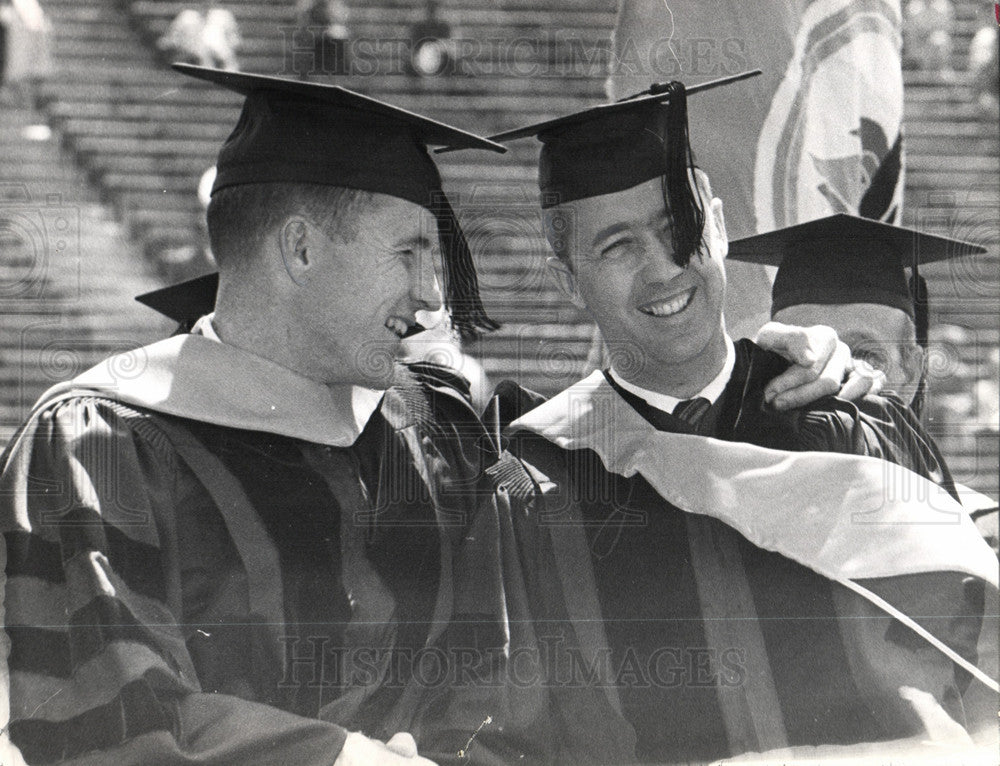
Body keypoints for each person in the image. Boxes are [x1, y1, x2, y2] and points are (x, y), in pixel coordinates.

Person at [0, 65, 594, 766]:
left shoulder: (435, 431)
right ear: (302, 248)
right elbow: (105, 717)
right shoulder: (101, 445)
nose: (431, 295)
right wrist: (343, 759)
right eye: (408, 251)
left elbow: (501, 684)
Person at [491, 81, 998, 762]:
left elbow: (964, 679)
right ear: (566, 282)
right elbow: (522, 729)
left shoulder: (850, 430)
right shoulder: (538, 481)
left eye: (682, 229)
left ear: (720, 227)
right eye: (617, 246)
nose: (665, 267)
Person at [726, 213, 986, 415]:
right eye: (801, 358)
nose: (833, 376)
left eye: (864, 354)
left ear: (911, 371)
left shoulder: (931, 485)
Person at [294, 0, 351, 78]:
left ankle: (340, 70)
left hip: (329, 39)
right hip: (313, 38)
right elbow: (302, 23)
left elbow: (341, 24)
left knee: (336, 37)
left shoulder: (336, 5)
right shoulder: (307, 4)